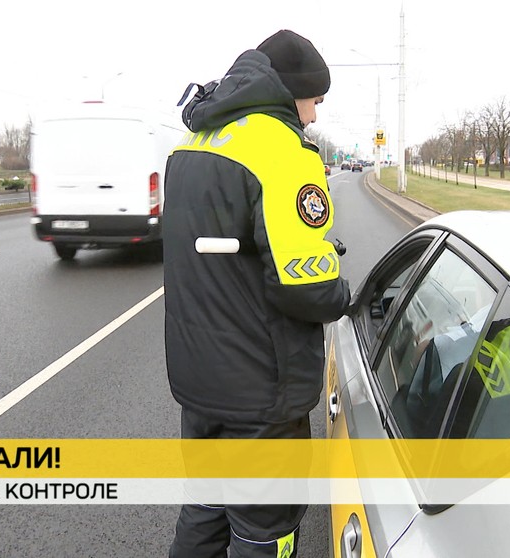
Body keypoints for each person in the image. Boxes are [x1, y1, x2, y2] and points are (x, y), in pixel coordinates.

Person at [162, 29, 351, 558]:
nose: (313, 116)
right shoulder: (282, 153)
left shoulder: (192, 144)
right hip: (261, 395)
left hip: (199, 385)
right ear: (292, 91)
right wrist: (343, 291)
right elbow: (306, 287)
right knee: (264, 530)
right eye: (315, 101)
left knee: (204, 508)